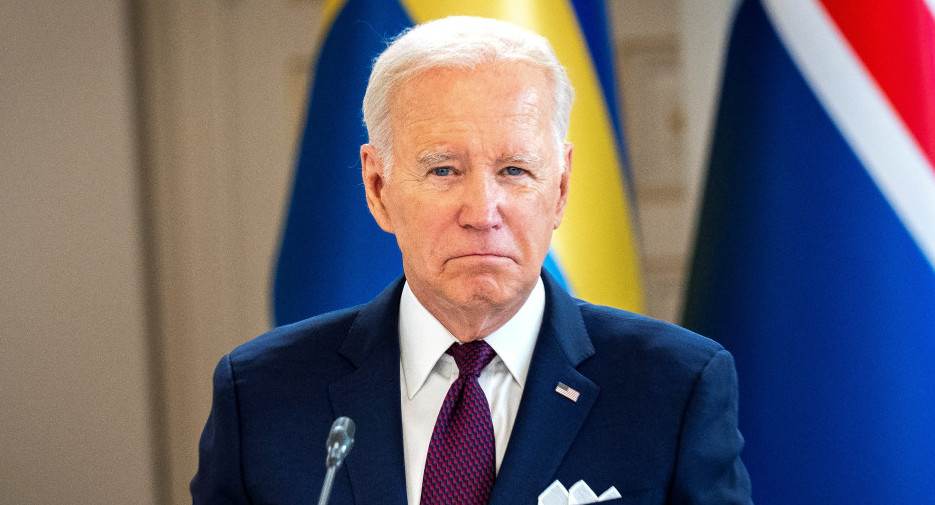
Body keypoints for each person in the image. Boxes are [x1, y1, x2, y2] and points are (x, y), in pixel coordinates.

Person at [191, 16, 752, 505]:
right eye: (443, 170)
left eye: (514, 170)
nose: (483, 212)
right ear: (378, 186)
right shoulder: (261, 394)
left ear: (559, 189)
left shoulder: (675, 387)